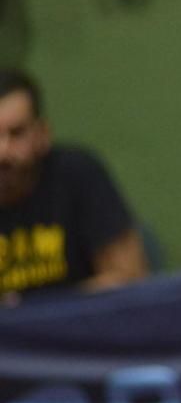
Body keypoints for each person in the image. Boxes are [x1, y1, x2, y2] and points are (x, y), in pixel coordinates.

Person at [0, 69, 148, 305]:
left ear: (42, 134)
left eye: (16, 134)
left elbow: (131, 279)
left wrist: (36, 310)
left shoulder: (77, 174)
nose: (3, 152)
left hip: (84, 334)